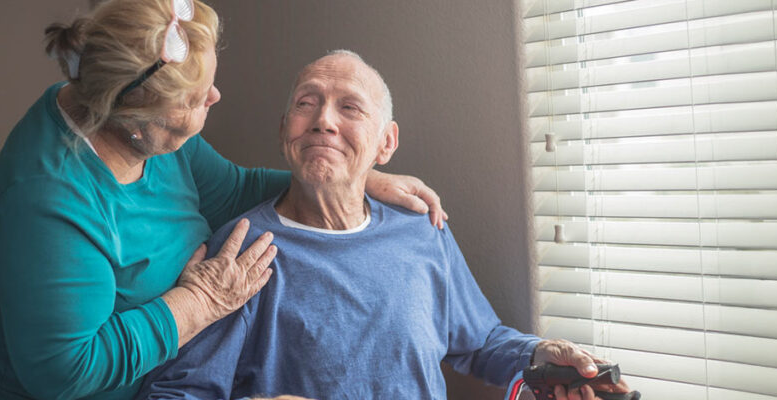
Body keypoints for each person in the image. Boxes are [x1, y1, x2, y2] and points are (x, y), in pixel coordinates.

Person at [0, 1, 449, 399]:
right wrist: (197, 303)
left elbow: (234, 189)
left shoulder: (140, 123)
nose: (214, 97)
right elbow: (67, 371)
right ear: (134, 120)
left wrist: (352, 178)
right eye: (193, 99)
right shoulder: (43, 202)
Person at [136, 51, 633, 400]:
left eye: (349, 107)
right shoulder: (241, 253)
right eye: (306, 103)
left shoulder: (423, 231)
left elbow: (478, 340)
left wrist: (540, 354)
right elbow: (177, 393)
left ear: (386, 143)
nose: (323, 120)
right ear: (284, 127)